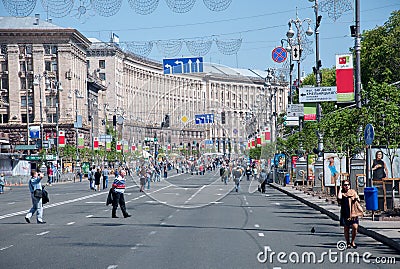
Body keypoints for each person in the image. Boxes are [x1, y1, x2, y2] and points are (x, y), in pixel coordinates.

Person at [337, 179, 363, 249]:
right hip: (345, 212)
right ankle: (348, 242)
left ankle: (353, 241)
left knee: (355, 227)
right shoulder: (342, 193)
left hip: (353, 212)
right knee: (346, 228)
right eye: (345, 185)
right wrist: (339, 189)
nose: (347, 186)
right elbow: (339, 198)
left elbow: (358, 199)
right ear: (342, 186)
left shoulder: (353, 192)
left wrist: (356, 198)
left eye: (348, 185)